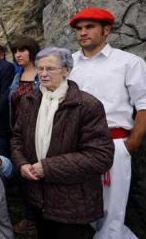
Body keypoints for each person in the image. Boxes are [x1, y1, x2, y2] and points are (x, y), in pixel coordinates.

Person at [66, 7, 146, 239]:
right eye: (79, 29)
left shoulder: (128, 62)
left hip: (113, 143)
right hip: (72, 145)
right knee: (79, 205)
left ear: (106, 30)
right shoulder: (67, 64)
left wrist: (132, 143)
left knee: (111, 212)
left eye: (89, 27)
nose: (82, 33)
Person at [11, 47, 114, 239]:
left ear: (66, 71)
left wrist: (47, 167)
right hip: (38, 196)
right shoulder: (30, 100)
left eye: (50, 68)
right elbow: (17, 138)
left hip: (72, 202)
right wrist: (22, 163)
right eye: (40, 68)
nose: (43, 74)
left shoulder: (87, 105)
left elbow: (101, 156)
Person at [7, 36, 41, 234]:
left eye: (22, 50)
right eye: (15, 51)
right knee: (23, 175)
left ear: (32, 51)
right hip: (18, 132)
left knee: (38, 174)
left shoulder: (41, 74)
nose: (18, 55)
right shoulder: (17, 75)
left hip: (37, 132)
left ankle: (38, 217)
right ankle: (29, 217)